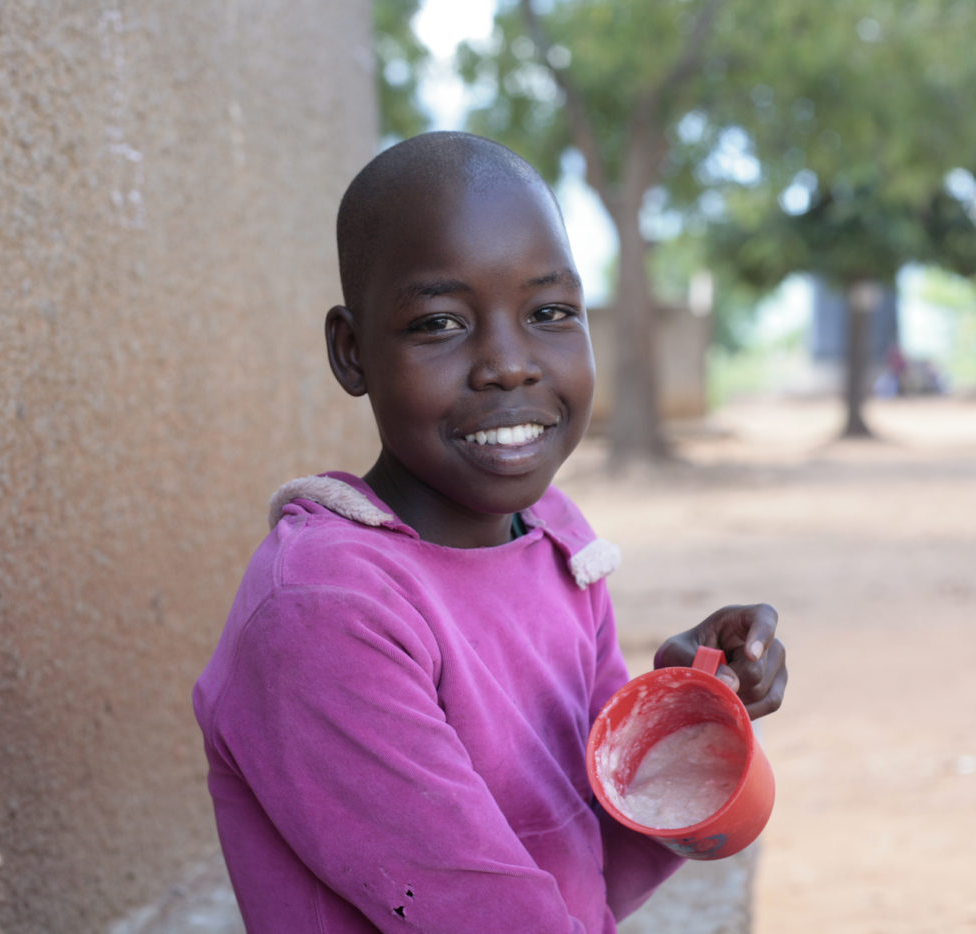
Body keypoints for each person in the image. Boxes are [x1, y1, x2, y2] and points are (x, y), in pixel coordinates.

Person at [192, 131, 788, 933]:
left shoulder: (553, 541)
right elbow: (487, 910)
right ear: (350, 351)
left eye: (550, 313)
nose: (509, 365)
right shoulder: (326, 609)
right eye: (440, 323)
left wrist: (677, 725)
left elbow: (595, 862)